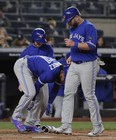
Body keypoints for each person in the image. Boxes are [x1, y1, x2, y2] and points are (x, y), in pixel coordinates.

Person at [50, 6, 104, 136]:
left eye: (69, 19)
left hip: (88, 64)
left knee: (89, 95)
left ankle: (98, 126)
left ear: (76, 17)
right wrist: (70, 55)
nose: (68, 22)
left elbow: (91, 46)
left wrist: (74, 45)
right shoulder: (72, 27)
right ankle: (66, 126)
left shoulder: (89, 26)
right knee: (68, 93)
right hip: (74, 64)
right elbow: (74, 47)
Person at [12, 28, 54, 132]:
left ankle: (32, 123)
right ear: (33, 39)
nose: (39, 43)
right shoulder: (27, 51)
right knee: (31, 95)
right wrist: (20, 82)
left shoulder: (48, 48)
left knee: (43, 103)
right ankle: (21, 119)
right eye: (37, 41)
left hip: (43, 77)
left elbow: (50, 64)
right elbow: (21, 67)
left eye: (41, 41)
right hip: (30, 76)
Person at [11, 55, 65, 132]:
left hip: (35, 71)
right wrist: (32, 101)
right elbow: (37, 86)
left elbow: (55, 89)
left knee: (40, 98)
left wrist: (49, 103)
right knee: (30, 93)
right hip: (23, 65)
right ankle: (15, 117)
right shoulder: (50, 73)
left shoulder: (60, 73)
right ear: (62, 72)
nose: (65, 78)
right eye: (65, 76)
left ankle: (30, 124)